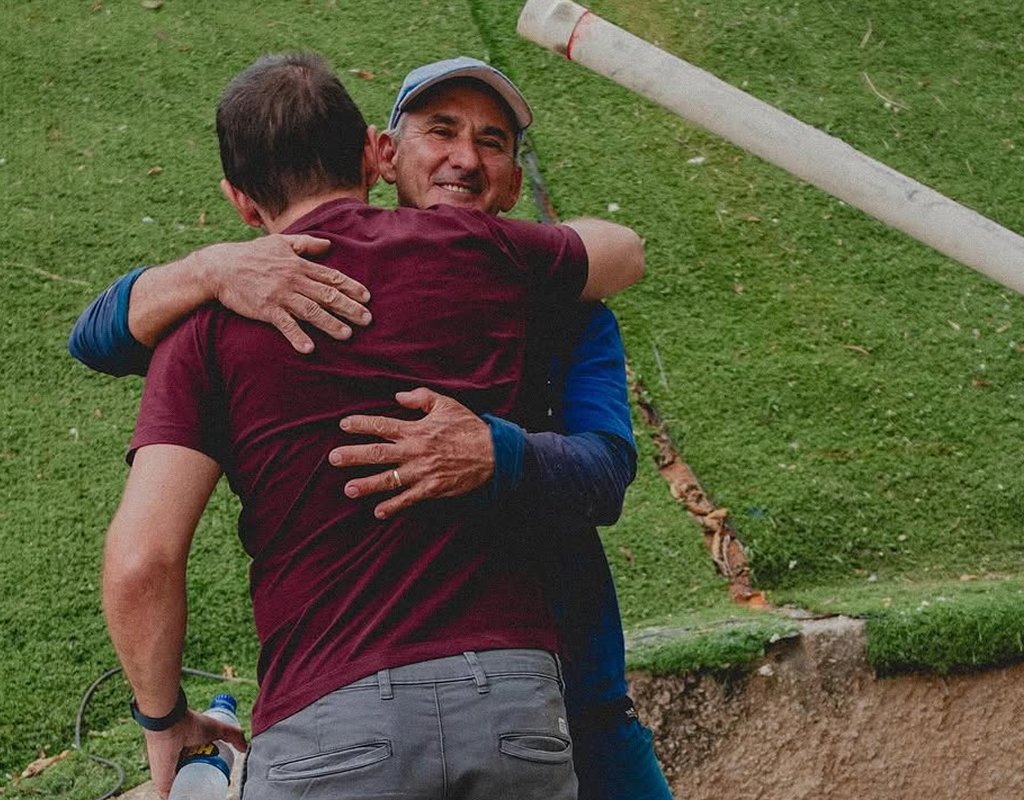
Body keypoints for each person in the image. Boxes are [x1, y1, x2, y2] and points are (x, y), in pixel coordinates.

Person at [74, 56, 672, 800]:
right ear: (378, 154)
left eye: (491, 142)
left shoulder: (541, 288)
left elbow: (606, 468)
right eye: (441, 131)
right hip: (517, 712)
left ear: (240, 200)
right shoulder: (480, 255)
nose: (465, 159)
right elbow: (96, 333)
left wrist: (496, 451)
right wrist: (209, 270)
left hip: (546, 700)